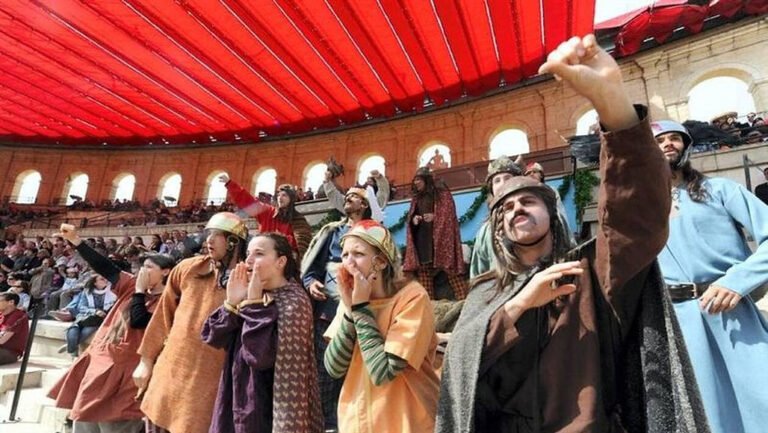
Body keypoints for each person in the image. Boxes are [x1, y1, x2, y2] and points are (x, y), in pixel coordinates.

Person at [436, 35, 708, 433]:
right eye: (505, 209)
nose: (516, 210)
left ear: (552, 214)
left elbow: (635, 215)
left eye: (528, 202)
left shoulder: (591, 272)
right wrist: (520, 304)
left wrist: (611, 103)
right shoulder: (486, 292)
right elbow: (462, 368)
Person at [654, 119, 768, 433]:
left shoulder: (721, 189)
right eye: (658, 140)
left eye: (675, 138)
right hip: (677, 320)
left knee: (760, 399)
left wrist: (737, 281)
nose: (668, 144)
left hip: (731, 312)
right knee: (707, 414)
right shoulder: (641, 209)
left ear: (687, 146)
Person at [48, 224, 175, 433]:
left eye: (149, 267)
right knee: (84, 420)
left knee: (116, 423)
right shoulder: (130, 284)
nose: (142, 272)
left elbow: (139, 321)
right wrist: (76, 240)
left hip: (128, 372)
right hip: (99, 364)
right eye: (141, 267)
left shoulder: (169, 300)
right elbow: (104, 267)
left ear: (165, 272)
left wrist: (140, 292)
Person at [133, 212, 250, 433]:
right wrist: (146, 361)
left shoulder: (250, 279)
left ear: (233, 241)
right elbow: (162, 317)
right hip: (169, 373)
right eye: (208, 234)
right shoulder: (188, 268)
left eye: (217, 235)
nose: (209, 240)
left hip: (211, 380)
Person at [324, 220, 440, 433]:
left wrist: (360, 309)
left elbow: (382, 373)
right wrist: (350, 311)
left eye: (358, 254)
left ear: (382, 262)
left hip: (406, 421)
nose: (349, 263)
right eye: (345, 255)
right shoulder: (350, 300)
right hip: (356, 422)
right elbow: (334, 368)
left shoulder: (413, 298)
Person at [202, 233, 322, 433]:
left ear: (280, 262)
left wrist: (254, 305)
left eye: (258, 254)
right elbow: (211, 336)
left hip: (269, 406)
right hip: (235, 395)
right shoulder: (248, 292)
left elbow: (259, 357)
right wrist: (231, 303)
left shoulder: (294, 302)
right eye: (248, 253)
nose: (249, 260)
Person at [301, 187, 373, 431]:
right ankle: (326, 425)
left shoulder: (374, 232)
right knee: (325, 373)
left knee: (356, 372)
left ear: (364, 205)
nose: (347, 199)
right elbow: (312, 269)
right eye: (347, 197)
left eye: (354, 197)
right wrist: (311, 283)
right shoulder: (331, 232)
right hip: (328, 313)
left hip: (362, 314)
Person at [404, 167, 467, 300]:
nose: (416, 183)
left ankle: (465, 300)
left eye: (419, 180)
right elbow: (412, 216)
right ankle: (429, 305)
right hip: (423, 242)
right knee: (424, 275)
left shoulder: (441, 193)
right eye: (415, 180)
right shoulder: (416, 199)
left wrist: (435, 217)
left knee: (451, 270)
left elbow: (448, 214)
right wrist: (414, 219)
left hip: (440, 240)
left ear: (426, 180)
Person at [221, 174, 312, 260]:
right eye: (278, 195)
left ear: (291, 198)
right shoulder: (267, 212)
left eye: (284, 195)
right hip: (262, 259)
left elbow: (303, 246)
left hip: (285, 262)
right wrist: (230, 184)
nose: (280, 198)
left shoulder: (298, 220)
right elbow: (248, 201)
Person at [469, 155, 524, 279]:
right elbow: (478, 275)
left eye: (508, 178)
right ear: (492, 189)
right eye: (497, 180)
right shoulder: (486, 231)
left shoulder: (535, 216)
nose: (503, 184)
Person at [61, 274, 117, 358]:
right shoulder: (87, 292)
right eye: (102, 279)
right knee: (74, 329)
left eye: (106, 279)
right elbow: (81, 307)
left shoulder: (112, 292)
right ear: (95, 283)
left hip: (98, 320)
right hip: (85, 317)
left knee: (86, 331)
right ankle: (71, 346)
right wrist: (95, 311)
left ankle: (71, 348)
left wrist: (101, 313)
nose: (105, 280)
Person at [321, 169, 389, 222]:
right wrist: (327, 181)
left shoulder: (374, 222)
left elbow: (383, 193)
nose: (348, 198)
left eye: (354, 196)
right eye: (348, 196)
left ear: (364, 204)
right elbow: (333, 195)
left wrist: (379, 178)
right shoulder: (340, 230)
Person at [0, 292, 29, 365]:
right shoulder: (2, 314)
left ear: (11, 302)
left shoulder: (18, 316)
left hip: (10, 352)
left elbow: (2, 340)